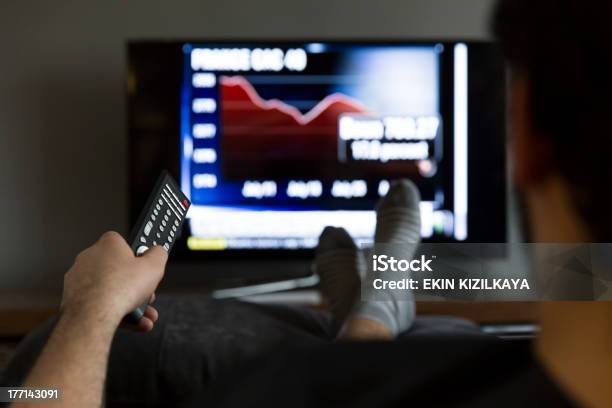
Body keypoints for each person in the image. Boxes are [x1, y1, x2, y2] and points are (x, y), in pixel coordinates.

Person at [4, 0, 612, 406]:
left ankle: (370, 315)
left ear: (526, 142)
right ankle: (379, 295)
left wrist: (90, 308)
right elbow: (579, 276)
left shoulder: (282, 390)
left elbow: (37, 401)